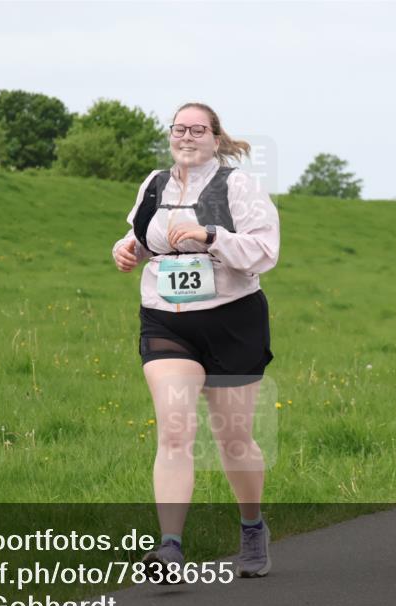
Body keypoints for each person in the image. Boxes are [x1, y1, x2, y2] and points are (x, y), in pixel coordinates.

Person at [112, 102, 280, 581]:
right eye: (179, 128)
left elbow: (266, 251)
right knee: (175, 430)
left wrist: (211, 237)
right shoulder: (154, 183)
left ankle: (252, 527)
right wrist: (127, 250)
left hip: (232, 321)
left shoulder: (237, 186)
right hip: (166, 322)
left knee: (234, 439)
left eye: (197, 129)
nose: (186, 136)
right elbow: (140, 236)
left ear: (215, 137)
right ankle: (169, 547)